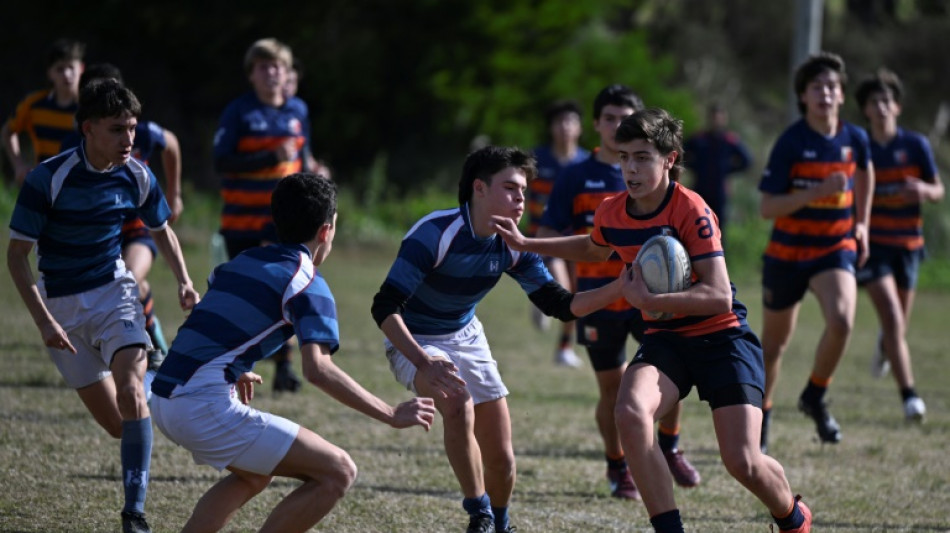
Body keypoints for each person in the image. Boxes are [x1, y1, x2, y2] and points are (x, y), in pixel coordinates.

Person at [494, 108, 812, 533]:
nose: (630, 168)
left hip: (722, 339)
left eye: (642, 157)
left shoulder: (690, 209)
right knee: (629, 412)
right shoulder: (612, 211)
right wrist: (527, 241)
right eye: (624, 157)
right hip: (667, 338)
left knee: (743, 462)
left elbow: (718, 297)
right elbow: (594, 249)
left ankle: (793, 518)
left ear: (669, 159)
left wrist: (650, 297)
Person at [151, 173, 435, 532]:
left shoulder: (243, 260)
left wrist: (232, 368)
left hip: (164, 396)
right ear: (326, 231)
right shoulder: (308, 283)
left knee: (255, 474)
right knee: (338, 471)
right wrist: (391, 412)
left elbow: (208, 322)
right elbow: (317, 370)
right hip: (199, 405)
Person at [371, 145, 633, 533]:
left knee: (504, 460)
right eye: (511, 188)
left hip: (465, 333)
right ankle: (479, 513)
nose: (521, 199)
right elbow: (384, 307)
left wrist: (621, 287)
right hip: (414, 336)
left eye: (524, 191)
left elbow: (559, 305)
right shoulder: (435, 234)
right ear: (479, 188)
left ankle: (501, 523)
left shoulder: (513, 244)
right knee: (457, 400)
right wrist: (424, 360)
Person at [7, 78, 200, 533]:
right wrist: (44, 322)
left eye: (132, 127)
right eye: (117, 129)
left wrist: (184, 281)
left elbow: (160, 229)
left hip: (116, 291)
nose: (129, 139)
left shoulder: (135, 172)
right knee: (118, 424)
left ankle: (134, 515)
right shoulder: (47, 178)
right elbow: (16, 257)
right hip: (61, 306)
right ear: (88, 128)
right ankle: (160, 385)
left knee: (132, 395)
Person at [539, 84, 700, 500]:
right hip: (600, 296)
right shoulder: (575, 175)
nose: (616, 126)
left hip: (654, 296)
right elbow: (552, 231)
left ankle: (670, 444)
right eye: (609, 118)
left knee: (671, 372)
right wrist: (557, 280)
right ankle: (617, 465)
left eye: (625, 118)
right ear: (597, 124)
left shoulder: (658, 174)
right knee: (611, 389)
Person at [758, 52, 873, 452]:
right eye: (816, 87)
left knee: (842, 320)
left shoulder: (855, 138)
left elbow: (865, 174)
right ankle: (763, 415)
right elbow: (767, 207)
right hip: (787, 252)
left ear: (841, 96)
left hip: (833, 248)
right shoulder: (792, 141)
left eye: (832, 87)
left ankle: (814, 394)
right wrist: (816, 192)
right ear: (803, 97)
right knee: (773, 347)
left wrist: (862, 223)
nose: (825, 93)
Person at [61, 62, 184, 360]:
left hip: (139, 226)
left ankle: (150, 345)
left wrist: (173, 192)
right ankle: (138, 339)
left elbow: (172, 145)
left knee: (129, 277)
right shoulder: (73, 146)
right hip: (102, 233)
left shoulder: (139, 132)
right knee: (124, 285)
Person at [214, 37, 312, 393]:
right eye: (264, 67)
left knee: (284, 291)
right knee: (247, 297)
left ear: (287, 73)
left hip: (283, 222)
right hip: (241, 219)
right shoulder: (239, 112)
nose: (272, 73)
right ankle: (236, 366)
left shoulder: (298, 111)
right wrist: (268, 158)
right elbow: (221, 162)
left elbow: (303, 162)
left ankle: (284, 368)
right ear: (252, 74)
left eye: (278, 66)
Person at [854, 68, 943, 420]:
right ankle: (910, 397)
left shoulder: (915, 145)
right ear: (866, 110)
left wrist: (923, 190)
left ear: (898, 107)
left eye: (887, 101)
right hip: (874, 247)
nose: (881, 107)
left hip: (909, 246)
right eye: (874, 102)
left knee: (896, 327)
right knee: (891, 316)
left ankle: (885, 344)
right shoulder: (861, 147)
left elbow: (938, 190)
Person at [528, 99, 589, 368]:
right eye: (559, 122)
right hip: (545, 239)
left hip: (579, 239)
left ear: (580, 128)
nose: (565, 127)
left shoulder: (588, 162)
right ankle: (541, 298)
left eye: (570, 121)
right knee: (563, 290)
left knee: (578, 295)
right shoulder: (536, 160)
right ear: (552, 128)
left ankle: (564, 348)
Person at [2, 39, 85, 185]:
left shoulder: (90, 106)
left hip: (81, 186)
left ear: (81, 68)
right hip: (45, 185)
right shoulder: (34, 104)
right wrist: (18, 165)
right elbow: (8, 131)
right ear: (50, 74)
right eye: (60, 69)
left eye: (71, 67)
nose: (67, 74)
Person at [682, 102, 752, 239]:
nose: (716, 120)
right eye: (714, 117)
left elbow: (747, 160)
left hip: (719, 191)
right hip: (700, 189)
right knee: (697, 225)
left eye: (719, 117)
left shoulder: (729, 140)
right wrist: (695, 167)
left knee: (719, 229)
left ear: (724, 119)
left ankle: (719, 258)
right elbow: (681, 153)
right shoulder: (699, 138)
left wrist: (727, 170)